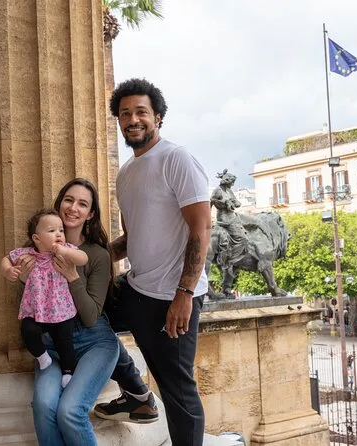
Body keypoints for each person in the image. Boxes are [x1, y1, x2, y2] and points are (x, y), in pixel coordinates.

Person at [94, 78, 211, 446]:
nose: (133, 119)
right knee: (79, 316)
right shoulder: (126, 173)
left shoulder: (177, 158)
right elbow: (134, 238)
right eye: (125, 113)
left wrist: (184, 294)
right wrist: (87, 258)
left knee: (178, 391)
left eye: (141, 112)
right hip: (137, 288)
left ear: (157, 117)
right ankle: (136, 394)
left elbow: (201, 228)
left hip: (171, 297)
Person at [10, 178, 156, 446]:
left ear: (90, 214)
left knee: (70, 411)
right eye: (68, 200)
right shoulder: (37, 248)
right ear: (59, 204)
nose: (73, 208)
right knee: (44, 406)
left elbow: (90, 317)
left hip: (94, 342)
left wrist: (72, 276)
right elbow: (32, 305)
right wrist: (23, 278)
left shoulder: (96, 254)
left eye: (82, 204)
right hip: (52, 345)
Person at [1, 209, 88, 388]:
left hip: (61, 310)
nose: (59, 234)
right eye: (51, 230)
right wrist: (8, 270)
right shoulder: (28, 254)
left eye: (61, 230)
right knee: (27, 330)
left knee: (65, 343)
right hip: (36, 310)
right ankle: (42, 356)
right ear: (37, 238)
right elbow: (6, 258)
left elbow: (83, 258)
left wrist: (65, 251)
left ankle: (68, 371)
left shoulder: (65, 251)